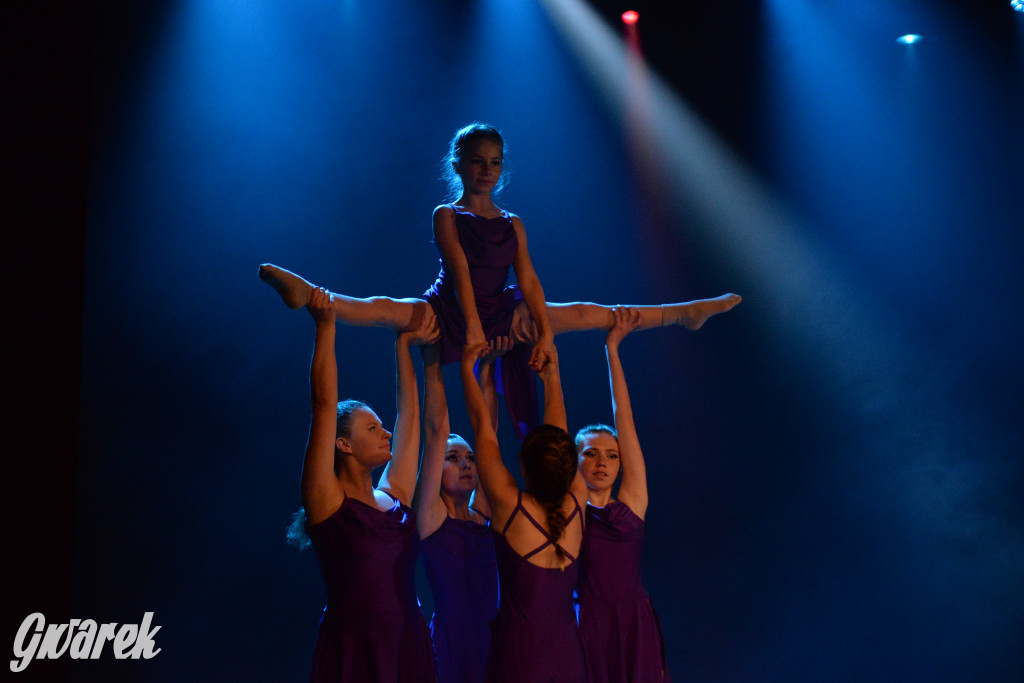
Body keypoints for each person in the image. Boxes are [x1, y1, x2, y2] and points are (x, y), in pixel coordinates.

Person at [259, 122, 741, 438]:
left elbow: (529, 280)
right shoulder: (447, 214)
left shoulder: (513, 222)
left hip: (501, 307)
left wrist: (544, 333)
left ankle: (685, 313)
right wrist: (471, 328)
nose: (486, 171)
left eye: (494, 163)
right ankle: (312, 295)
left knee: (583, 314)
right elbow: (461, 271)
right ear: (458, 164)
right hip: (451, 306)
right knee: (387, 308)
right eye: (477, 161)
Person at [286, 286, 435, 682]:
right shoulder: (328, 503)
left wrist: (403, 348)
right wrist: (326, 325)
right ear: (343, 444)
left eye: (382, 427)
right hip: (355, 648)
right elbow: (322, 404)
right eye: (373, 428)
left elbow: (409, 419)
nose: (386, 433)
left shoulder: (395, 495)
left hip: (408, 642)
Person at [460, 338, 589, 682]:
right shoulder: (579, 499)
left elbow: (483, 430)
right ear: (568, 467)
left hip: (519, 658)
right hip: (567, 657)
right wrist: (552, 376)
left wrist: (468, 367)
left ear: (525, 468)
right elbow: (558, 437)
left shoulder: (509, 504)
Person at [575, 307, 669, 682]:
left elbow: (624, 418)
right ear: (574, 461)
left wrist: (612, 349)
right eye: (591, 454)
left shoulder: (631, 503)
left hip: (635, 621)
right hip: (586, 622)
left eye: (612, 455)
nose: (603, 462)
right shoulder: (568, 511)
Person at [413, 339, 506, 683]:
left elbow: (488, 434)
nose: (466, 464)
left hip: (494, 639)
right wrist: (433, 360)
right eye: (453, 459)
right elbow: (436, 431)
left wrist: (487, 370)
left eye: (469, 459)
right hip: (452, 645)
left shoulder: (481, 517)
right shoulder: (432, 519)